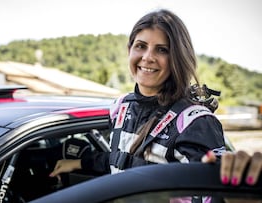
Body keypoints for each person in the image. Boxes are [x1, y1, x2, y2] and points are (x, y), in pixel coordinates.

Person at [50, 8, 226, 179]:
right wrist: (78, 163)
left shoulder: (194, 121)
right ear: (129, 51)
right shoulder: (121, 107)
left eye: (162, 49)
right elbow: (120, 162)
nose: (148, 57)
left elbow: (210, 193)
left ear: (178, 58)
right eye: (141, 46)